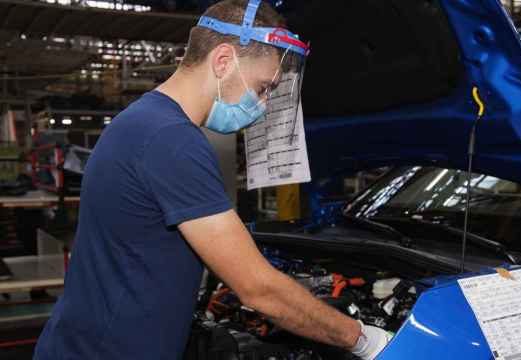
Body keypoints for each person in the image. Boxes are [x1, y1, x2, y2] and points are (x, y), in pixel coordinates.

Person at [34, 0, 390, 359]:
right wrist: (363, 339)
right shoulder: (170, 140)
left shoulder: (144, 121)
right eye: (263, 87)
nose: (264, 104)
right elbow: (258, 291)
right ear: (223, 61)